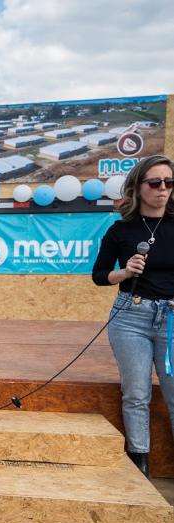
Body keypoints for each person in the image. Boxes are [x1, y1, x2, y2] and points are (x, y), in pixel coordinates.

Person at [92, 154, 174, 478]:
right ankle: (140, 467)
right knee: (136, 392)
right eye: (155, 183)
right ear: (139, 187)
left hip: (171, 319)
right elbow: (99, 275)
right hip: (131, 317)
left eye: (169, 182)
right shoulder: (120, 231)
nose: (163, 189)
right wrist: (123, 272)